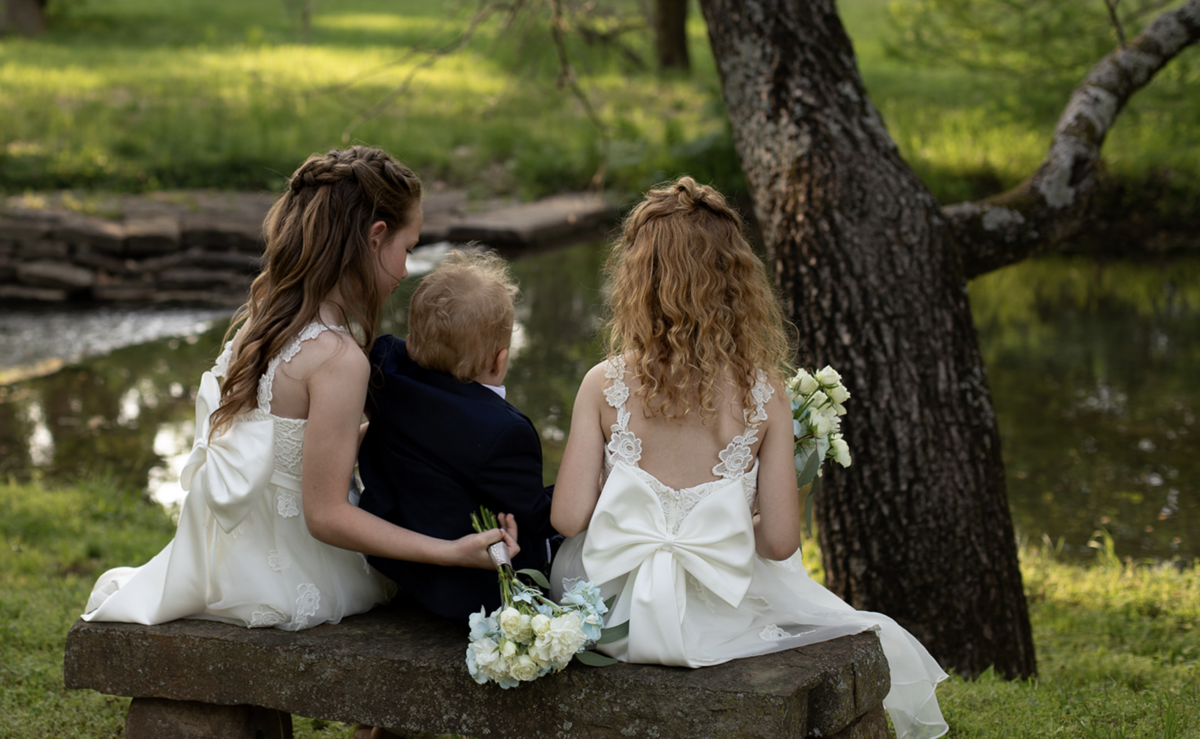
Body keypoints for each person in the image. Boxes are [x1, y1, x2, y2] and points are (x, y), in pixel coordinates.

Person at [549, 177, 948, 739]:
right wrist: (722, 529)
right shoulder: (765, 392)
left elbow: (568, 518)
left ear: (637, 279)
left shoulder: (603, 383)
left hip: (610, 612)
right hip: (722, 610)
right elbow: (780, 541)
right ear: (736, 281)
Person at [82, 146, 517, 632]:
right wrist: (449, 552)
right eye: (408, 249)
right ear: (376, 237)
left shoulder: (263, 321)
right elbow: (325, 515)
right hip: (296, 569)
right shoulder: (337, 357)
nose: (404, 270)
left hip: (228, 556)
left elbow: (292, 450)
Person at [358, 248, 557, 622]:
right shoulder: (505, 432)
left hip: (398, 555)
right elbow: (537, 516)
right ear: (499, 360)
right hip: (465, 586)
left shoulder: (384, 363)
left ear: (411, 342)